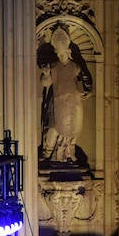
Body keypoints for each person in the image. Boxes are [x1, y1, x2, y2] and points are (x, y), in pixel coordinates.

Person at [39, 25, 93, 165]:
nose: (60, 55)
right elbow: (46, 83)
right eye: (58, 53)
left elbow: (84, 83)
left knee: (71, 130)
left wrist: (85, 90)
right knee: (53, 131)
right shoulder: (54, 66)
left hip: (72, 104)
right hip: (57, 104)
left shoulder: (75, 66)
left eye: (62, 53)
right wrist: (45, 74)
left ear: (67, 51)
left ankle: (68, 154)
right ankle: (48, 153)